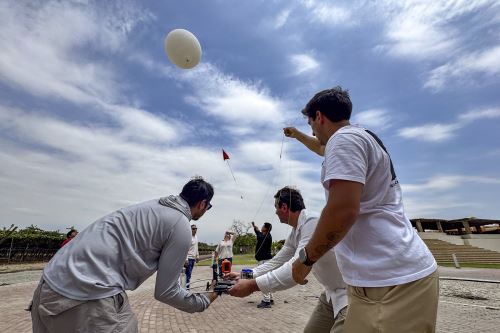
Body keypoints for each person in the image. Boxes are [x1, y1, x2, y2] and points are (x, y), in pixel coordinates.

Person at [290, 86, 438, 332]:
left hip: (393, 285)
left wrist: (306, 259)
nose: (312, 132)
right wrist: (296, 135)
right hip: (384, 280)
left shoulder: (343, 140)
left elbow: (342, 211)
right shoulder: (356, 136)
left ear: (319, 117)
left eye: (310, 125)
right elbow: (319, 148)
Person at [30, 177, 218, 333]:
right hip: (86, 295)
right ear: (202, 204)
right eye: (208, 207)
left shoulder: (151, 206)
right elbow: (166, 292)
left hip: (48, 283)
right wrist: (210, 296)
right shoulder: (180, 225)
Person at [228, 187, 348, 332]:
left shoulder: (312, 222)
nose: (275, 212)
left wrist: (252, 286)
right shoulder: (296, 231)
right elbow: (277, 261)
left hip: (350, 294)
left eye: (276, 207)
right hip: (330, 293)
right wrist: (244, 275)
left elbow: (294, 268)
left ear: (284, 207)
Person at [251, 221, 274, 308]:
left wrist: (256, 229)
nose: (262, 227)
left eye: (263, 226)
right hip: (265, 261)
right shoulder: (266, 235)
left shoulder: (266, 236)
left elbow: (259, 235)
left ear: (266, 228)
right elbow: (259, 233)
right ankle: (270, 298)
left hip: (264, 261)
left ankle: (266, 301)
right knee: (268, 279)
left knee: (263, 280)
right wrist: (254, 227)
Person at [184, 224, 199, 290]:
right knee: (188, 274)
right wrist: (186, 259)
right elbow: (185, 249)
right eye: (193, 229)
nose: (195, 230)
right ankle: (186, 289)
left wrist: (197, 256)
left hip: (193, 259)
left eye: (196, 229)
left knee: (189, 274)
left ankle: (185, 287)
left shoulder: (196, 237)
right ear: (190, 230)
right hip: (189, 259)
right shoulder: (188, 237)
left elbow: (196, 247)